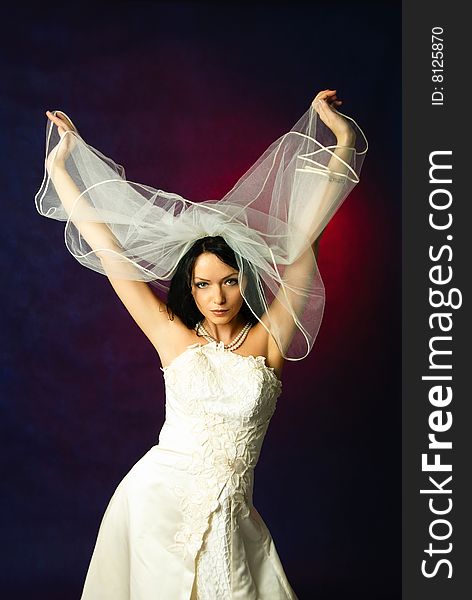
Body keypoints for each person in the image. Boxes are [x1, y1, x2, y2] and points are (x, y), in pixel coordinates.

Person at [36, 89, 368, 599]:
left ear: (246, 281)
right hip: (154, 503)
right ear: (188, 288)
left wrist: (342, 141)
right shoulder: (172, 337)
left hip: (233, 515)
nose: (217, 296)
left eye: (229, 281)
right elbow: (111, 253)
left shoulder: (268, 341)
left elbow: (305, 244)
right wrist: (62, 166)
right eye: (203, 284)